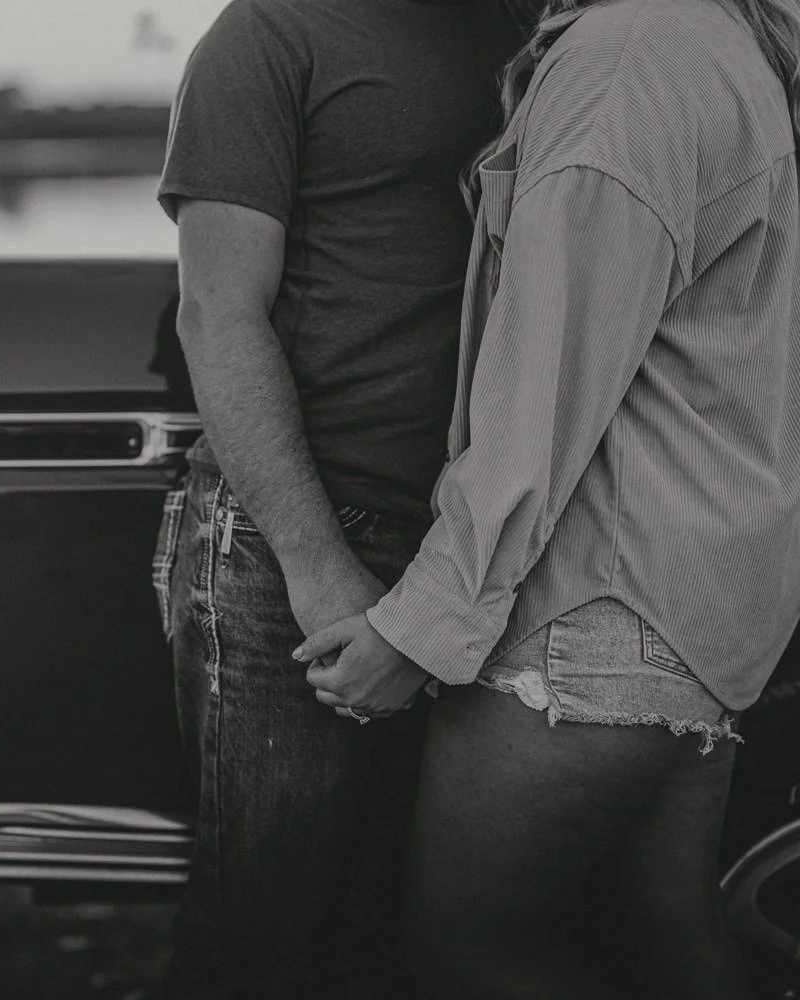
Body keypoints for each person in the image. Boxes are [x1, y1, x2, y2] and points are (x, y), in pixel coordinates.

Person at [295, 0, 800, 994]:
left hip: (601, 610)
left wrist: (418, 629)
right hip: (693, 603)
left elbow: (540, 397)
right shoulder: (708, 35)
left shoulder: (626, 63)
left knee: (461, 951)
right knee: (667, 939)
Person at [149, 0, 528, 996]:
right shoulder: (267, 36)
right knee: (264, 929)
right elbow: (217, 311)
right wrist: (318, 571)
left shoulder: (536, 25)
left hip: (483, 543)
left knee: (406, 929)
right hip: (301, 544)